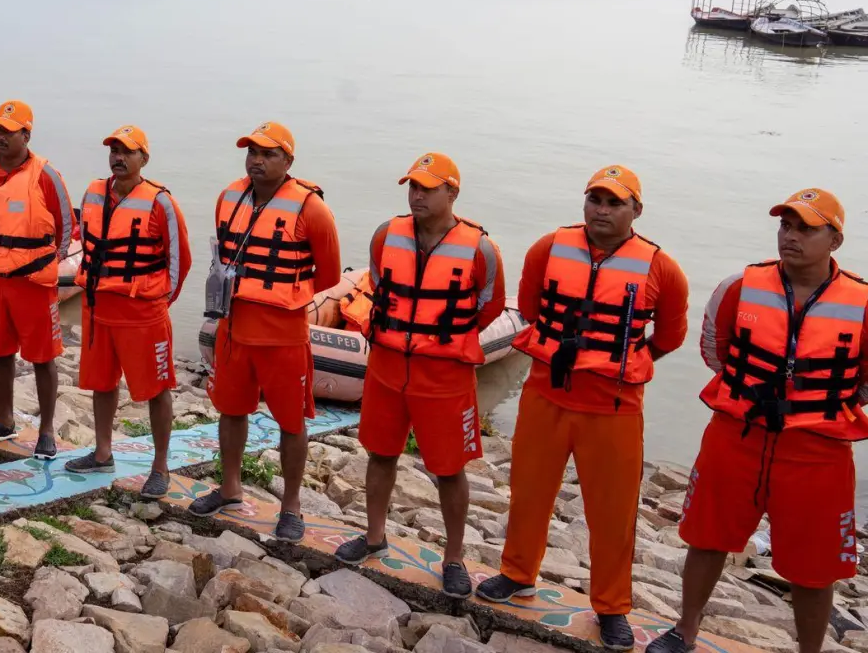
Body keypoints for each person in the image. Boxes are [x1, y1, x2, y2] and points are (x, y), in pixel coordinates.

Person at [475, 165, 689, 651]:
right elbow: (529, 307)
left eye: (615, 202)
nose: (602, 210)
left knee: (612, 513)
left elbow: (671, 336)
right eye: (595, 199)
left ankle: (612, 607)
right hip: (546, 394)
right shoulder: (548, 248)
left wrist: (626, 361)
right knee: (528, 491)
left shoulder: (661, 268)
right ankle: (516, 572)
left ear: (636, 210)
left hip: (613, 407)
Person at [647, 189, 868, 653]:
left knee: (816, 566)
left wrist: (820, 403)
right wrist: (754, 393)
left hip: (818, 450)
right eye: (786, 225)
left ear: (835, 239)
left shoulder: (863, 302)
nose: (790, 236)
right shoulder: (739, 286)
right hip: (737, 435)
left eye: (806, 228)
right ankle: (684, 631)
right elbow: (714, 349)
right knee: (707, 539)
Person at [336, 153, 505, 598]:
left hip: (444, 374)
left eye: (427, 188)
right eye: (412, 187)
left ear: (452, 192)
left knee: (449, 469)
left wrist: (444, 341)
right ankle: (374, 536)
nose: (416, 195)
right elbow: (378, 282)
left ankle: (453, 558)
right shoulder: (386, 235)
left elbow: (489, 306)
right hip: (389, 366)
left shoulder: (480, 249)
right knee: (380, 453)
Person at [191, 121, 340, 542]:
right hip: (234, 328)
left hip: (283, 335)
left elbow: (328, 276)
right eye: (252, 151)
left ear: (288, 161)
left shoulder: (311, 209)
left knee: (291, 422)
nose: (257, 160)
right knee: (230, 411)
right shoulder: (229, 196)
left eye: (268, 153)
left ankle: (291, 506)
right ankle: (229, 487)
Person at [64, 125, 191, 495]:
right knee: (101, 384)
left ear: (144, 159)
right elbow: (81, 239)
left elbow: (179, 261)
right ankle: (102, 452)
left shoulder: (160, 202)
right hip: (98, 306)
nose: (119, 157)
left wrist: (159, 302)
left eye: (128, 151)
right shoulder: (93, 192)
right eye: (114, 150)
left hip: (142, 313)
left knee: (156, 389)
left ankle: (160, 466)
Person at [0, 100, 75, 458]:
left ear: (26, 134)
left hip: (33, 283)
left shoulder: (45, 174)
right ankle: (5, 419)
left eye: (8, 131)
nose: (0, 137)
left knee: (43, 357)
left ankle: (46, 431)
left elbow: (66, 226)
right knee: (0, 351)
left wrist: (46, 264)